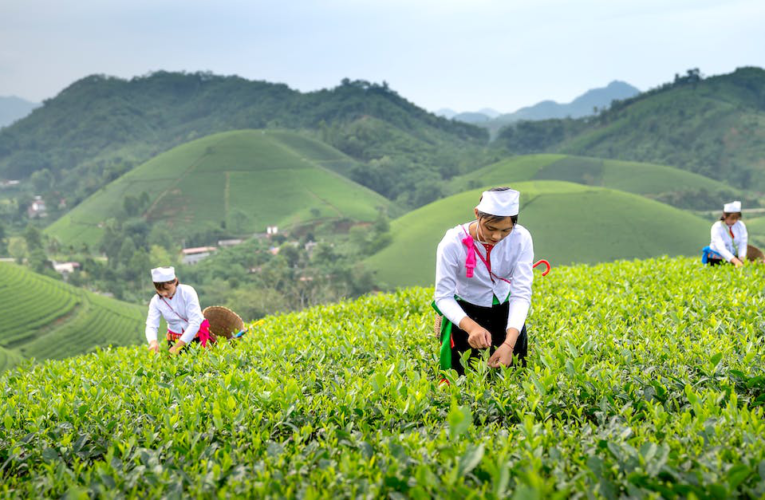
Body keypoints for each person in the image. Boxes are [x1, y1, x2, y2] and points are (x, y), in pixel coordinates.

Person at [434, 187, 533, 376]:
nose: (497, 237)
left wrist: (509, 343)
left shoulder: (521, 238)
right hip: (465, 315)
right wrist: (471, 328)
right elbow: (443, 297)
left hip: (507, 315)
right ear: (477, 214)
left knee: (513, 382)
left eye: (506, 230)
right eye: (490, 228)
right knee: (464, 383)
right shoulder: (452, 243)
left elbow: (521, 294)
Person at [145, 266, 213, 355]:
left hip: (195, 337)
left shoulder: (187, 292)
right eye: (159, 290)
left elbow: (195, 323)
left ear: (175, 281)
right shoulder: (156, 301)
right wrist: (153, 342)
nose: (164, 293)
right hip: (174, 339)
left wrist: (177, 347)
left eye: (167, 289)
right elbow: (151, 324)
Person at [703, 201, 747, 267]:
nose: (734, 221)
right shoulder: (717, 227)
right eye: (732, 218)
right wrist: (734, 260)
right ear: (724, 215)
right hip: (716, 259)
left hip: (733, 258)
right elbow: (720, 247)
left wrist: (741, 258)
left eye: (737, 218)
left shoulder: (740, 225)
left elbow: (743, 243)